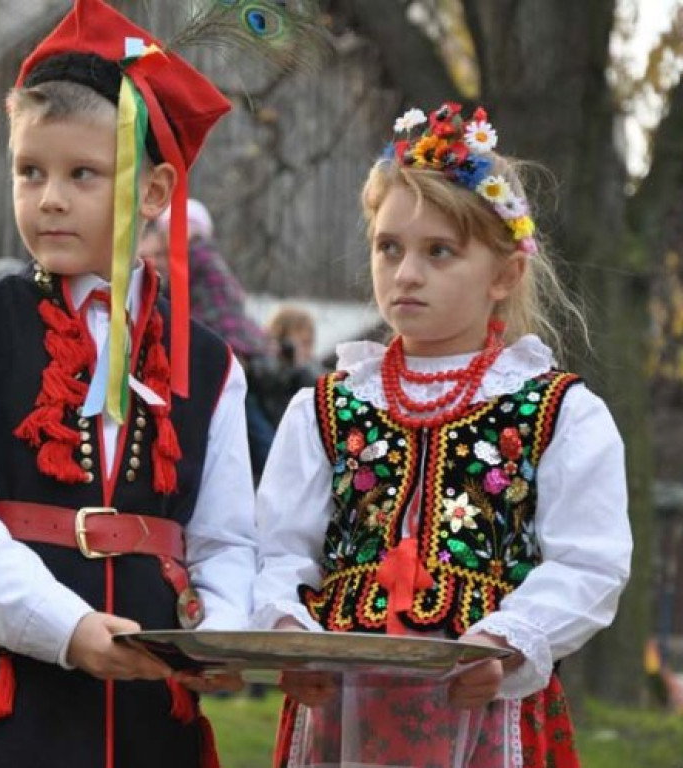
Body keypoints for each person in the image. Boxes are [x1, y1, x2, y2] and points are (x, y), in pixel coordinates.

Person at [0, 1, 257, 766]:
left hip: (151, 703)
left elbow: (225, 537)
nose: (49, 196)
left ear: (154, 193)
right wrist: (64, 625)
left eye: (83, 173)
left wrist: (220, 632)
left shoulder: (211, 364)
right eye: (30, 171)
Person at [252, 103, 633, 767]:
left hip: (484, 706)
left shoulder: (557, 411)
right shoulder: (326, 406)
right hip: (339, 710)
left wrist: (511, 639)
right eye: (388, 247)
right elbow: (278, 550)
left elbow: (589, 562)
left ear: (505, 275)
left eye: (439, 252)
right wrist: (287, 632)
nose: (405, 273)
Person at [154, 199, 277, 476]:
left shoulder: (193, 256)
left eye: (168, 231)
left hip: (226, 344)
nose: (164, 239)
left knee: (249, 420)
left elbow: (169, 296)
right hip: (236, 342)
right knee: (245, 416)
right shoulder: (208, 257)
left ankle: (275, 469)